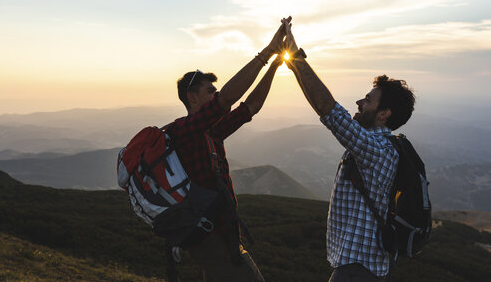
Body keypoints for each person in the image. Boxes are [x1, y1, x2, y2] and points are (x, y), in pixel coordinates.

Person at [283, 23, 415, 282]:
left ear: (384, 114)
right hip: (359, 267)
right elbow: (326, 110)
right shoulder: (376, 146)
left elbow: (329, 111)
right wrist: (293, 66)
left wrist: (296, 58)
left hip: (357, 270)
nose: (359, 102)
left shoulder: (378, 149)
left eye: (368, 99)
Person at [164, 17, 292, 282]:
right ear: (192, 97)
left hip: (222, 232)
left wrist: (276, 66)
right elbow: (228, 99)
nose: (216, 94)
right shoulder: (184, 130)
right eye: (210, 91)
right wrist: (267, 53)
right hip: (209, 235)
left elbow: (251, 107)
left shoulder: (211, 131)